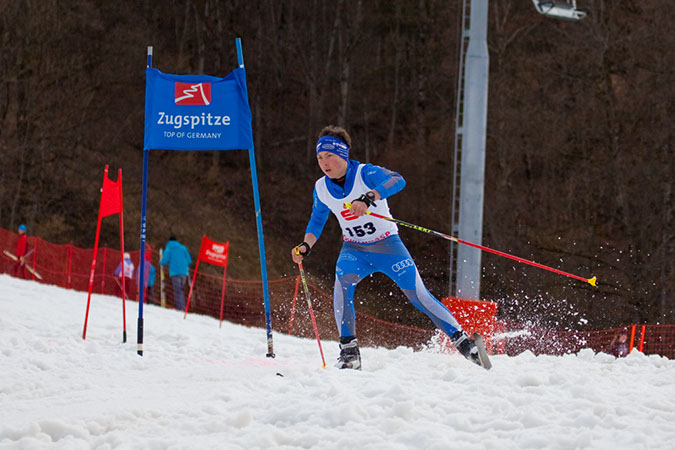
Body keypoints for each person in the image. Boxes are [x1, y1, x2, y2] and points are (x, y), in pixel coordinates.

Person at [291, 125, 484, 370]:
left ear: (343, 154)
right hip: (354, 250)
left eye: (329, 155)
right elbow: (317, 219)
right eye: (319, 157)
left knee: (418, 295)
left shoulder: (365, 173)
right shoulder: (321, 188)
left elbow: (398, 179)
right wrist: (306, 245)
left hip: (387, 246)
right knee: (342, 289)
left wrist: (369, 196)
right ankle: (349, 354)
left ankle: (466, 343)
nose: (324, 163)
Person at [160, 235, 192, 311]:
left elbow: (165, 260)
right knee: (181, 290)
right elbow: (189, 260)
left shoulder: (169, 248)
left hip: (175, 272)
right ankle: (183, 307)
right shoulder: (183, 248)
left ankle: (180, 308)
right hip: (184, 273)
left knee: (177, 291)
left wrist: (161, 262)